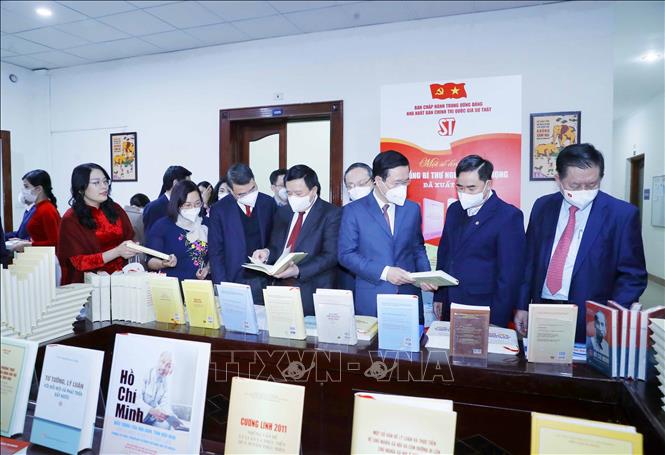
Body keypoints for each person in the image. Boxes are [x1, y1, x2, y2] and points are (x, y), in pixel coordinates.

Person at [515, 143, 647, 341]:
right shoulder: (543, 206)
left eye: (592, 184)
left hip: (593, 316)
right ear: (558, 179)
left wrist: (610, 317)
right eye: (575, 186)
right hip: (543, 309)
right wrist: (522, 305)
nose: (584, 191)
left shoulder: (622, 215)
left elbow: (632, 276)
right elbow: (529, 261)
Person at [338, 150, 436, 322]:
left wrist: (425, 275)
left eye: (406, 182)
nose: (402, 187)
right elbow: (346, 255)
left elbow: (417, 248)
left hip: (408, 295)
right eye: (397, 183)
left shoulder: (412, 209)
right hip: (372, 297)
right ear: (378, 180)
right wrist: (385, 272)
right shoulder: (353, 211)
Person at [433, 155, 525, 327]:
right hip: (450, 302)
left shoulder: (508, 216)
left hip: (484, 306)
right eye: (460, 187)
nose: (464, 193)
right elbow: (445, 254)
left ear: (488, 184)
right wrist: (439, 295)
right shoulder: (454, 210)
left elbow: (509, 275)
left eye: (471, 188)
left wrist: (497, 319)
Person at [252, 165, 341, 315]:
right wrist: (266, 252)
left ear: (313, 190)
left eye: (299, 193)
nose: (293, 198)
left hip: (312, 290)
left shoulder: (331, 214)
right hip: (281, 289)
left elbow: (331, 256)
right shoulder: (284, 212)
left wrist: (298, 270)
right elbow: (277, 246)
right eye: (289, 193)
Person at [57, 163, 136, 285]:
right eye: (96, 183)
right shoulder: (71, 219)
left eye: (105, 181)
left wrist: (132, 247)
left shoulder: (115, 209)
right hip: (90, 283)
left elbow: (129, 237)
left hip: (121, 279)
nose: (104, 186)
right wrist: (117, 252)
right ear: (81, 189)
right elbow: (78, 262)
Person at [208, 163, 275, 303]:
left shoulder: (268, 203)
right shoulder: (220, 210)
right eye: (242, 194)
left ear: (254, 181)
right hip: (233, 279)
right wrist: (222, 286)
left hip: (263, 280)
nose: (249, 196)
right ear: (231, 191)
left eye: (252, 189)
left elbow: (275, 240)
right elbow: (215, 252)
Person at [146, 181, 210, 281]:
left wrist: (208, 268)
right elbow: (150, 261)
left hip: (202, 285)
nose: (193, 208)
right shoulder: (162, 226)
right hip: (173, 285)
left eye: (197, 203)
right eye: (188, 205)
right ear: (177, 205)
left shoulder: (208, 223)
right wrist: (163, 263)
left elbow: (218, 254)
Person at [8, 170, 61, 253]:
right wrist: (26, 241)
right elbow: (41, 237)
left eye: (26, 187)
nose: (23, 191)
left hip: (46, 257)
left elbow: (55, 243)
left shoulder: (46, 210)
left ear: (39, 189)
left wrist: (29, 245)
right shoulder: (39, 208)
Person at [138, 352, 188, 431]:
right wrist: (151, 411)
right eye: (162, 362)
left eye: (168, 366)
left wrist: (172, 417)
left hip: (152, 419)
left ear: (171, 370)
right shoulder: (145, 373)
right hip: (138, 417)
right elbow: (136, 400)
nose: (164, 367)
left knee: (168, 427)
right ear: (158, 360)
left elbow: (164, 404)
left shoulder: (165, 382)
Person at [142, 165, 191, 235]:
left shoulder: (186, 206)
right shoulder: (154, 208)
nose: (190, 189)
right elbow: (151, 238)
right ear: (175, 183)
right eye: (187, 184)